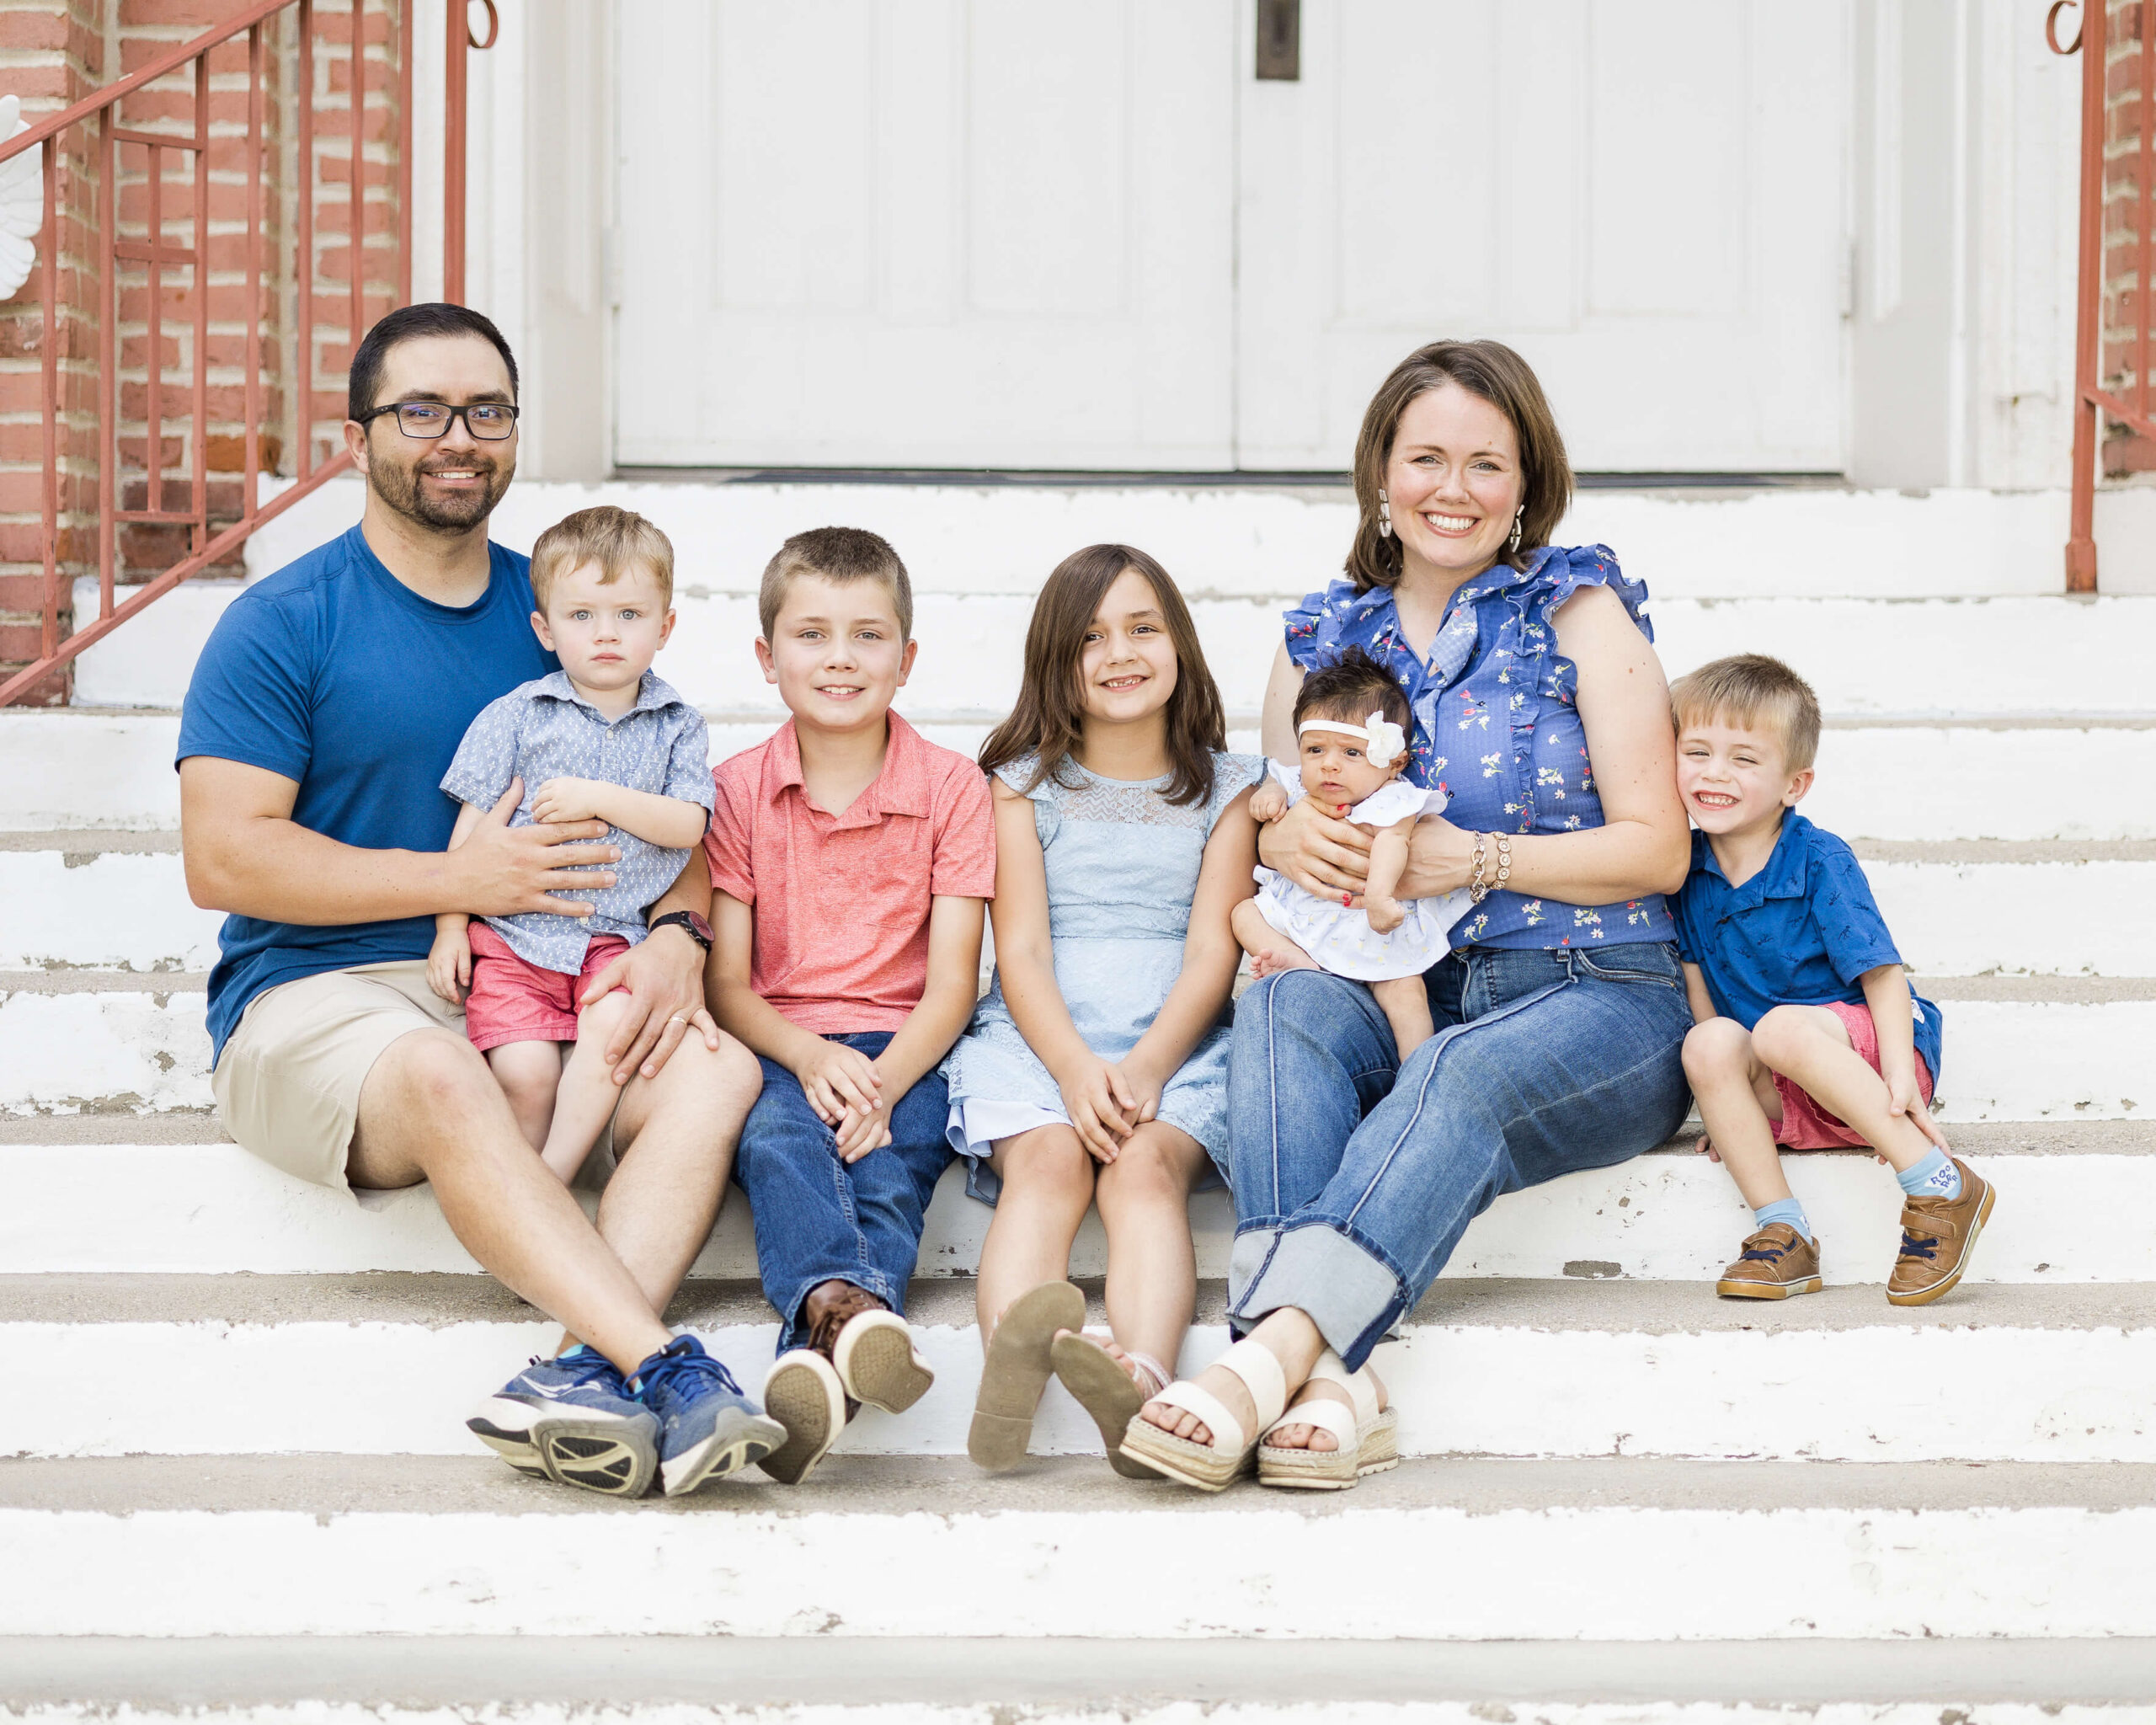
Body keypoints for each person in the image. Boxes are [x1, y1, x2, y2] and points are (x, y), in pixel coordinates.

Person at [178, 303, 770, 1502]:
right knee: (445, 1075)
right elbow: (224, 861)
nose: (458, 437)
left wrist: (677, 938)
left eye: (487, 411)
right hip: (320, 997)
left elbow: (669, 798)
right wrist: (461, 883)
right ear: (359, 440)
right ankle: (660, 1360)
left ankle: (569, 1377)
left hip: (545, 973)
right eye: (421, 411)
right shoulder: (281, 624)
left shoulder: (566, 611)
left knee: (717, 1071)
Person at [1124, 338, 1694, 1493]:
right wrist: (1277, 834)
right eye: (1425, 457)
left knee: (1450, 1077)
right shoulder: (1324, 640)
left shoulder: (1581, 616)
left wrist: (1471, 857)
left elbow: (1662, 848)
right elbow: (1282, 809)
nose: (1453, 489)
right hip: (1399, 982)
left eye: (1487, 463)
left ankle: (1265, 1355)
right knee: (1280, 1010)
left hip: (1599, 994)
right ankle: (1336, 1386)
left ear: (1528, 482)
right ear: (1380, 476)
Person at [939, 545, 1261, 1477]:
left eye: (1142, 627)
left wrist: (1151, 1063)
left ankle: (1144, 1381)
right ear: (1056, 661)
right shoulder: (1019, 784)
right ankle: (1012, 1361)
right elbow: (1024, 950)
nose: (1119, 651)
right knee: (1046, 1166)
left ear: (1178, 644)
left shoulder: (1228, 786)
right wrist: (1077, 1068)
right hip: (1043, 1035)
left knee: (1143, 1171)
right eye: (1090, 637)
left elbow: (1213, 949)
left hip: (1175, 1037)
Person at [705, 526, 995, 1486]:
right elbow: (728, 982)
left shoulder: (954, 789)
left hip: (909, 1041)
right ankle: (856, 1319)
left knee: (890, 1163)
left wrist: (882, 1079)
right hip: (783, 1038)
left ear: (906, 659)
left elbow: (954, 980)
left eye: (868, 635)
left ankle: (825, 1320)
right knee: (779, 1141)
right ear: (766, 656)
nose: (840, 657)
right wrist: (806, 1053)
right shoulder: (736, 792)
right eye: (812, 634)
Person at [1669, 654, 1988, 1305]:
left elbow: (1883, 973)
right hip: (1792, 1088)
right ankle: (1782, 1235)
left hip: (1870, 1066)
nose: (1714, 773)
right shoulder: (1685, 871)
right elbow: (1702, 992)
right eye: (1696, 751)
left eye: (1744, 759)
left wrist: (1900, 1075)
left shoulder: (1817, 858)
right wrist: (1723, 1097)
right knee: (1706, 1044)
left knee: (1781, 1027)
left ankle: (1940, 1185)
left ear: (1794, 784)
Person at [429, 505, 719, 1187]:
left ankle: (549, 1181)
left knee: (615, 1029)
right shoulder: (517, 714)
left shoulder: (678, 724)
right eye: (582, 616)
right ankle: (520, 1198)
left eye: (629, 615)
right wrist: (449, 927)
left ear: (665, 626)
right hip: (514, 941)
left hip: (615, 939)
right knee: (526, 1076)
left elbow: (689, 826)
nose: (606, 634)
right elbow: (468, 834)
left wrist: (597, 798)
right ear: (546, 629)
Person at [1234, 647, 1468, 1058]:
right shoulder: (1298, 784)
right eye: (1315, 750)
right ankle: (1299, 964)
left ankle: (1418, 1070)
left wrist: (1379, 897)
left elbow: (1394, 843)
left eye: (1351, 753)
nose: (1329, 765)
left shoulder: (1394, 798)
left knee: (1405, 989)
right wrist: (1269, 797)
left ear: (1395, 762)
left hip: (1366, 921)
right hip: (1306, 913)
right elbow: (1276, 783)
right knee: (1243, 914)